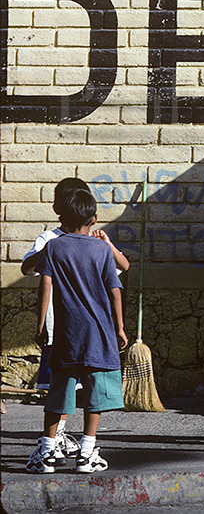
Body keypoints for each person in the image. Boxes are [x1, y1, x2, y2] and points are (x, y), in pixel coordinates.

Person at [21, 177, 129, 464]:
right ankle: (87, 451)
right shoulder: (100, 249)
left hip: (65, 333)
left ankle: (46, 451)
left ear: (61, 214)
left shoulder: (54, 246)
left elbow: (45, 284)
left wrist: (41, 324)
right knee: (94, 392)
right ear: (94, 217)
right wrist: (119, 327)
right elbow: (115, 289)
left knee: (59, 390)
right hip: (98, 333)